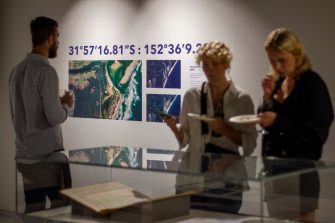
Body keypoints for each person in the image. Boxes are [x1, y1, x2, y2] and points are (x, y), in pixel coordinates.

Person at [164, 41, 258, 213]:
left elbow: (250, 143)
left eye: (216, 64)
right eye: (206, 64)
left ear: (226, 65)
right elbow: (185, 139)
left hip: (227, 180)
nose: (210, 70)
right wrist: (172, 126)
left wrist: (225, 129)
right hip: (192, 177)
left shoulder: (241, 99)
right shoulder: (192, 96)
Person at [257, 28, 334, 222]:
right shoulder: (277, 81)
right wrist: (266, 98)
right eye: (272, 61)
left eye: (281, 60)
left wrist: (278, 121)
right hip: (274, 170)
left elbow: (316, 136)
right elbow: (265, 118)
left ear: (297, 54)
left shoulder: (312, 84)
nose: (276, 66)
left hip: (302, 170)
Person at [9, 16, 73, 213]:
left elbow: (27, 109)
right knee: (63, 210)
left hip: (25, 157)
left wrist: (56, 103)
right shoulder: (46, 72)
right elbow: (54, 117)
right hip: (47, 160)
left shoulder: (16, 71)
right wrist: (67, 106)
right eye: (58, 36)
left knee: (33, 209)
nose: (59, 42)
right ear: (51, 38)